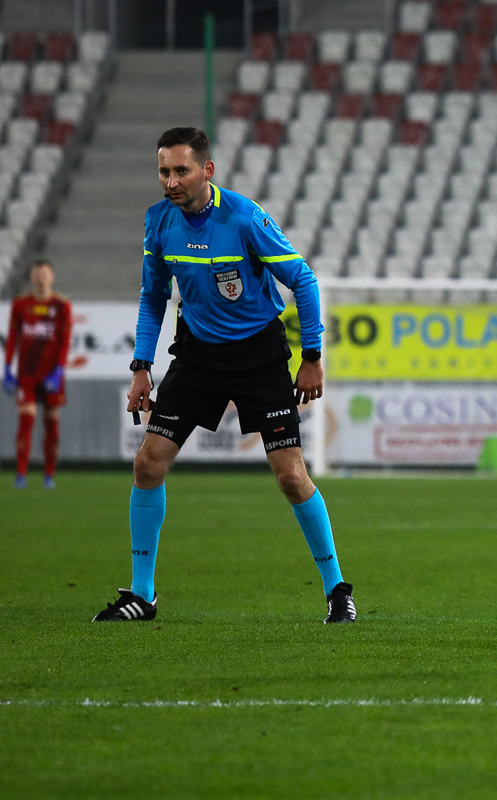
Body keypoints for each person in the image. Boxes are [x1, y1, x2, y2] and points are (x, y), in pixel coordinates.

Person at [92, 127, 356, 624]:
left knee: (292, 476)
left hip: (258, 358)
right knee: (148, 464)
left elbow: (303, 279)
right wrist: (141, 368)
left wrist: (313, 356)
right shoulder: (158, 222)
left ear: (206, 170)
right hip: (198, 359)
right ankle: (142, 595)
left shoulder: (243, 217)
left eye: (180, 170)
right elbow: (153, 297)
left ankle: (337, 589)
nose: (170, 181)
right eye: (164, 171)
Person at [4, 259, 72, 489]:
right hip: (27, 374)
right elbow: (13, 338)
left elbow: (65, 342)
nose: (41, 278)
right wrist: (6, 368)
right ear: (31, 278)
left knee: (51, 424)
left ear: (51, 277)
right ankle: (21, 474)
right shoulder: (20, 304)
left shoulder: (62, 306)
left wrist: (59, 371)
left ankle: (49, 474)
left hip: (51, 374)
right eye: (37, 274)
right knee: (26, 420)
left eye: (44, 274)